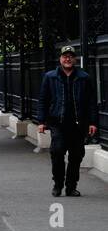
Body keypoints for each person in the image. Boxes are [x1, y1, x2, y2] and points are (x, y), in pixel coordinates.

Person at [35, 47, 98, 198]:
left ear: (75, 59)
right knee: (57, 152)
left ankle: (71, 187)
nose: (68, 59)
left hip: (78, 124)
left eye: (71, 56)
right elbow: (43, 100)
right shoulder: (50, 77)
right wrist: (41, 121)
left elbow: (91, 102)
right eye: (65, 56)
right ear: (60, 59)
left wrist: (92, 122)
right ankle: (57, 184)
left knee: (76, 156)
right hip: (58, 122)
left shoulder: (84, 77)